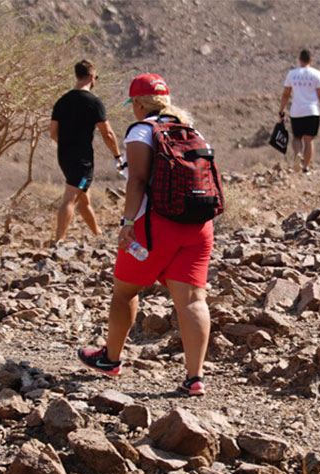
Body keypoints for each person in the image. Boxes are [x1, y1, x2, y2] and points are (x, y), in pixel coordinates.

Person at [77, 74, 213, 396]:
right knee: (193, 301)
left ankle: (110, 359)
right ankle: (195, 379)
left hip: (154, 226)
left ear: (138, 104)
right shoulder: (192, 131)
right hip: (198, 225)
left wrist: (127, 224)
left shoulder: (143, 131)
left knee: (125, 291)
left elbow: (137, 181)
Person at [50, 59, 122, 244]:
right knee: (70, 199)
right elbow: (107, 133)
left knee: (84, 198)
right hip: (82, 160)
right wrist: (117, 155)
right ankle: (58, 241)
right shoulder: (94, 102)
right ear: (92, 77)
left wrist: (66, 144)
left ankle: (97, 234)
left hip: (64, 156)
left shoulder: (62, 101)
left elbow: (53, 133)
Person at [278, 49, 320, 174]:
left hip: (296, 111)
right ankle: (305, 168)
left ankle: (297, 154)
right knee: (308, 139)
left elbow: (286, 94)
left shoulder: (292, 74)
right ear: (311, 60)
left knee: (297, 137)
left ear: (299, 59)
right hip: (312, 111)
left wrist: (281, 110)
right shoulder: (317, 74)